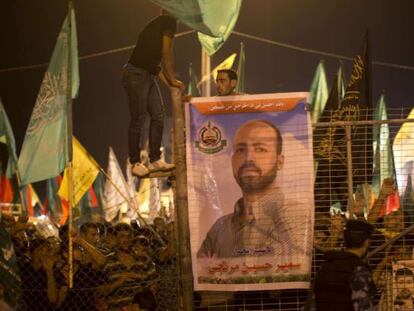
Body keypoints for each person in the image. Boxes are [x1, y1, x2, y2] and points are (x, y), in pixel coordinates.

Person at [197, 119, 308, 258]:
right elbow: (203, 272)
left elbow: (278, 272)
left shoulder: (297, 216)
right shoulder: (219, 228)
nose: (248, 158)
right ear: (232, 161)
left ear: (279, 162)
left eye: (260, 149)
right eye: (241, 150)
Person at [123, 10, 185, 177]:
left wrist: (171, 84)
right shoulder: (168, 21)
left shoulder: (156, 24)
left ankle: (155, 159)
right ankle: (135, 161)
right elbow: (166, 53)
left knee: (158, 115)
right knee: (138, 118)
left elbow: (154, 66)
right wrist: (172, 77)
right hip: (136, 73)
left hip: (147, 73)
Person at [314, 219, 377, 311]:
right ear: (367, 242)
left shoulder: (324, 266)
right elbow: (363, 306)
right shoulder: (359, 269)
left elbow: (313, 302)